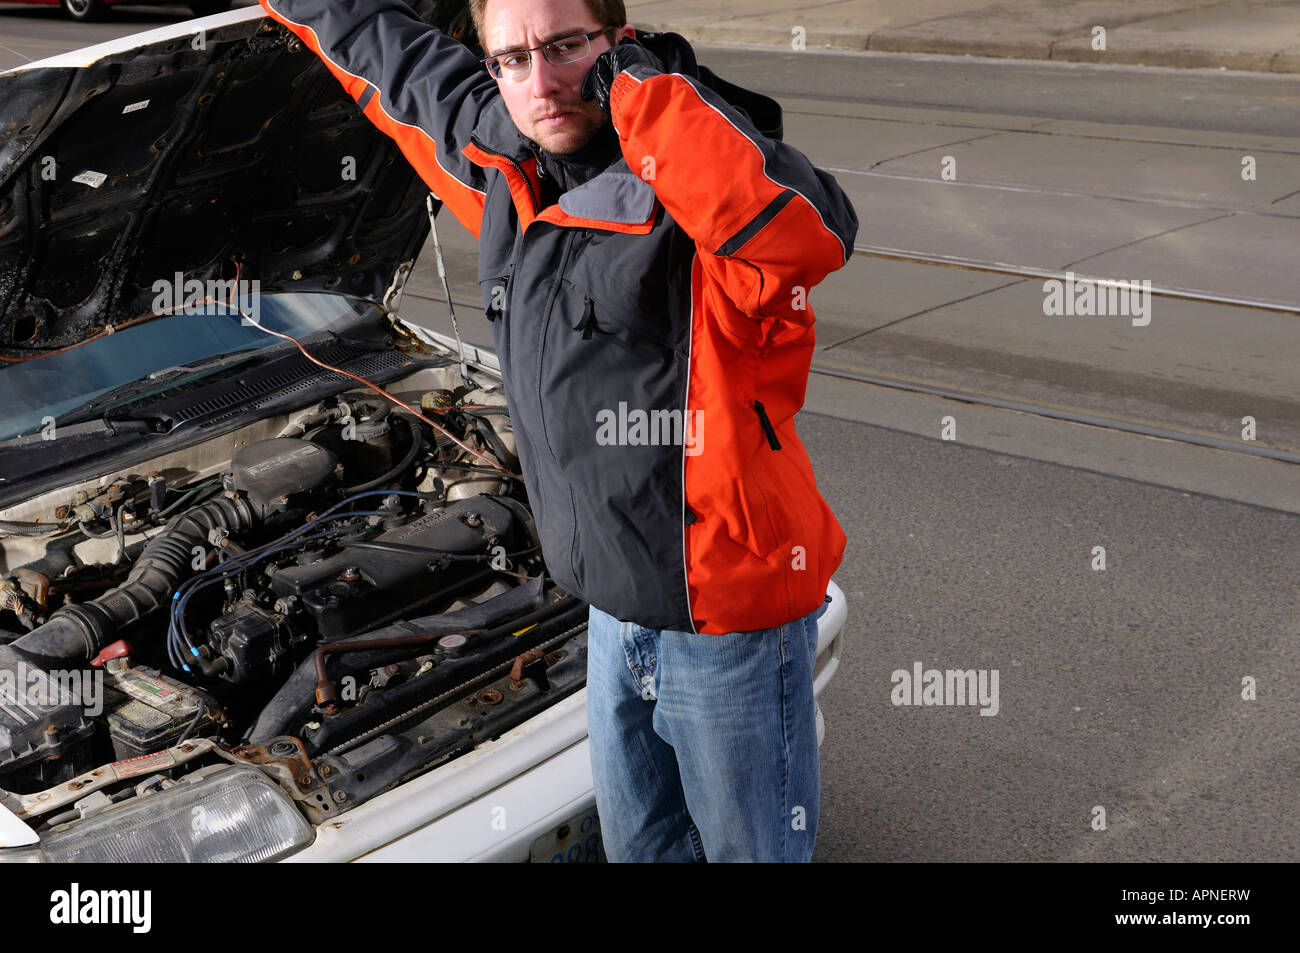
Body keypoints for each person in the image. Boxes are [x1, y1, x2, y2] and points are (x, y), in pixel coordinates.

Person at [257, 0, 858, 862]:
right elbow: (392, 64)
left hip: (726, 625)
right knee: (639, 850)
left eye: (566, 48)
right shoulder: (508, 173)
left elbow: (813, 230)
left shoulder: (695, 201)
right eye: (510, 59)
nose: (539, 83)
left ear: (617, 43)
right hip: (612, 612)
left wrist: (644, 89)